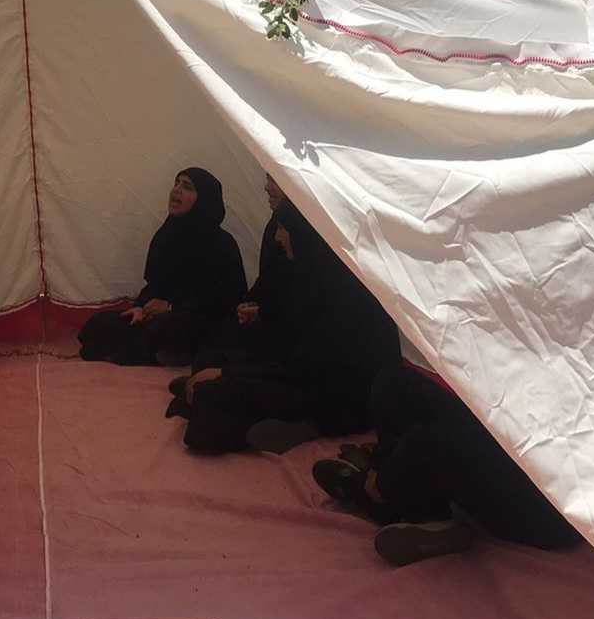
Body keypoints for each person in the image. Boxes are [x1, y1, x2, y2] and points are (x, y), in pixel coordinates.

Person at [172, 198, 399, 454]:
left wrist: (228, 373)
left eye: (283, 229)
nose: (277, 238)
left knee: (216, 396)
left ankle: (304, 426)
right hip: (302, 373)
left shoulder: (343, 289)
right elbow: (285, 335)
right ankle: (218, 400)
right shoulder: (310, 272)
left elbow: (302, 367)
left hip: (336, 398)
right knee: (214, 356)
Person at [311, 359, 583, 567]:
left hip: (554, 501)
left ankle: (409, 510)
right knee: (393, 383)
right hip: (514, 435)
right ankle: (387, 472)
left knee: (429, 442)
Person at [78, 167, 247, 366]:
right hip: (161, 317)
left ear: (204, 199)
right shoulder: (168, 233)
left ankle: (156, 351)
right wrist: (139, 307)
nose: (176, 190)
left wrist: (171, 307)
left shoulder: (222, 244)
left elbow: (224, 299)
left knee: (168, 328)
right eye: (176, 183)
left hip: (202, 320)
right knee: (100, 323)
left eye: (187, 187)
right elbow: (155, 285)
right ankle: (149, 350)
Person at [195, 173, 290, 370]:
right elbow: (267, 279)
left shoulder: (222, 244)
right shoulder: (275, 225)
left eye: (274, 179)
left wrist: (263, 312)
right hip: (267, 317)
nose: (266, 187)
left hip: (289, 333)